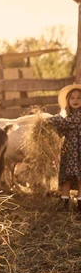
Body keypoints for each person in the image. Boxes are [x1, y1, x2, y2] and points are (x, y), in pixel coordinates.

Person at [49, 84, 81, 213]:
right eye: (72, 98)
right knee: (66, 178)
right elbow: (60, 130)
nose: (75, 100)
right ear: (68, 101)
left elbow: (66, 123)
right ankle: (64, 203)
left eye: (79, 97)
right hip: (69, 151)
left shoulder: (77, 116)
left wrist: (53, 119)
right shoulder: (67, 117)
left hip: (79, 151)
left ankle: (80, 204)